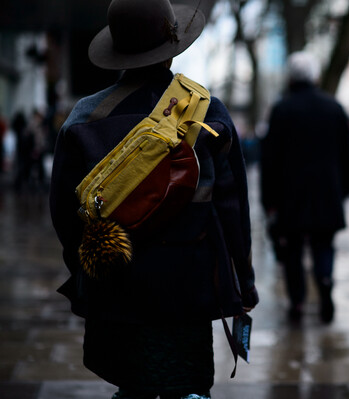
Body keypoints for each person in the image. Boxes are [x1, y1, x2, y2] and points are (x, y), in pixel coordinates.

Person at [49, 1, 259, 398]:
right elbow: (234, 212)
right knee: (188, 387)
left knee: (131, 384)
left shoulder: (83, 118)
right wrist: (244, 285)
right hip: (189, 288)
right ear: (172, 47)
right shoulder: (207, 112)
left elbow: (64, 215)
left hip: (117, 284)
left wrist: (84, 272)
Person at [260, 51, 349, 323]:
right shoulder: (334, 108)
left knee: (292, 251)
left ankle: (298, 303)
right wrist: (345, 189)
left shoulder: (281, 110)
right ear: (315, 76)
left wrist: (269, 201)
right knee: (323, 245)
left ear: (290, 77)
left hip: (290, 197)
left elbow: (270, 161)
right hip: (327, 194)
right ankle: (325, 282)